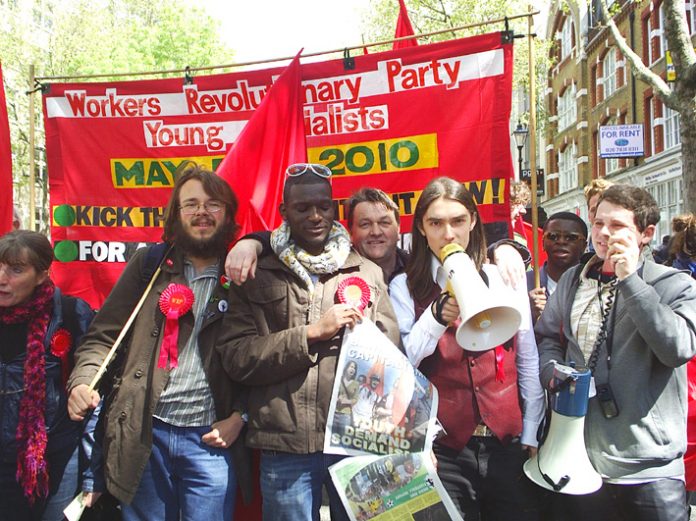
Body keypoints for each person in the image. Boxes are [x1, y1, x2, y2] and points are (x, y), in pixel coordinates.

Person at [66, 164, 251, 521]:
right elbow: (102, 336)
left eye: (213, 204)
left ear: (227, 214)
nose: (201, 212)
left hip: (211, 439)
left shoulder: (242, 273)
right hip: (144, 436)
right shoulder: (149, 265)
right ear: (176, 214)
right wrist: (82, 381)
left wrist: (240, 416)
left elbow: (259, 356)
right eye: (191, 204)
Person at [216, 163, 400, 521]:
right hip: (285, 449)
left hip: (356, 443)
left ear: (334, 207)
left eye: (324, 206)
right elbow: (237, 358)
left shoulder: (367, 272)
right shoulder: (256, 273)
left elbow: (391, 359)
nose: (316, 216)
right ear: (284, 212)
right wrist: (311, 334)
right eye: (302, 208)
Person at [535, 185, 696, 520]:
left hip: (650, 468)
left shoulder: (675, 285)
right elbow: (548, 335)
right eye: (598, 223)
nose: (604, 233)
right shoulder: (573, 281)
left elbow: (677, 347)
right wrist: (551, 369)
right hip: (582, 461)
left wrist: (630, 280)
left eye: (618, 226)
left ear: (647, 233)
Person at [389, 177, 545, 519]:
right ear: (421, 228)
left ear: (473, 222)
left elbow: (527, 358)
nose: (449, 234)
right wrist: (434, 318)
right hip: (444, 450)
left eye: (458, 221)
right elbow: (402, 367)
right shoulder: (406, 286)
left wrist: (531, 428)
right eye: (436, 223)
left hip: (507, 443)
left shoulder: (503, 275)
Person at [226, 186, 528, 289]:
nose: (376, 232)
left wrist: (505, 248)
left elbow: (467, 253)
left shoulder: (419, 269)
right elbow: (286, 242)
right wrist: (252, 241)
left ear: (399, 228)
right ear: (350, 231)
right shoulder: (330, 270)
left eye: (385, 222)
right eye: (365, 224)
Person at [0, 230, 98, 520]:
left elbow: (96, 399)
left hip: (55, 459)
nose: (2, 278)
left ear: (42, 275)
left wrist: (93, 474)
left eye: (16, 269)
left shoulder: (70, 314)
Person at [527, 212, 587, 322]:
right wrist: (526, 312)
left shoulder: (594, 283)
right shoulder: (524, 284)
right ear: (543, 243)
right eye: (553, 236)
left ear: (584, 246)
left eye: (571, 237)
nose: (561, 242)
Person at [583, 178, 613, 252]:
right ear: (589, 215)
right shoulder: (580, 250)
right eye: (594, 210)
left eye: (605, 209)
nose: (599, 215)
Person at [334, 360, 360, 435]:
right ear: (346, 368)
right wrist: (336, 399)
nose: (353, 369)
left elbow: (355, 399)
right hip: (334, 412)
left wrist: (346, 401)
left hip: (345, 415)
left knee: (343, 438)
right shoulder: (338, 379)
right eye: (351, 367)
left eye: (354, 368)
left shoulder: (356, 384)